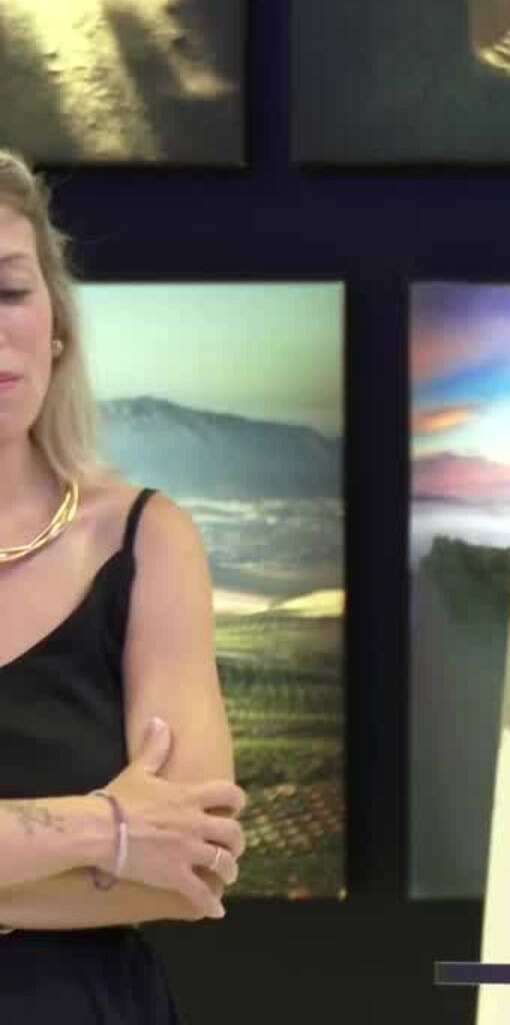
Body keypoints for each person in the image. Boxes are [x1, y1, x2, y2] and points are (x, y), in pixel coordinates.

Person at [0, 149, 246, 1022]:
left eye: (10, 290)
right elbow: (143, 844)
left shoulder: (148, 539)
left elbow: (193, 867)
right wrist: (106, 828)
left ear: (56, 325)